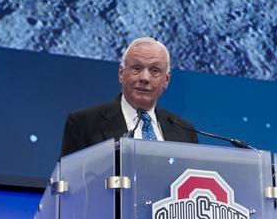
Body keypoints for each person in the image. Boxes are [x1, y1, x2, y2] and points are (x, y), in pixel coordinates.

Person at [60, 37, 199, 157]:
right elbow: (68, 181)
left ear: (166, 80)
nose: (145, 78)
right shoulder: (84, 123)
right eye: (136, 68)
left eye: (155, 71)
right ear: (121, 73)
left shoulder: (185, 132)